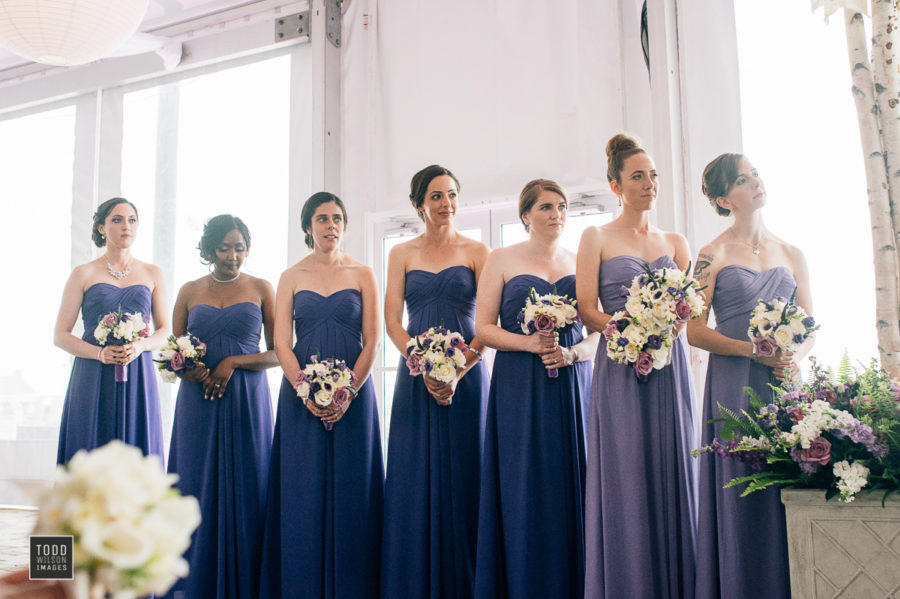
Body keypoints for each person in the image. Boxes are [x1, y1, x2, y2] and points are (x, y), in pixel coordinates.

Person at [577, 134, 698, 598]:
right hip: (620, 369)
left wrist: (663, 326)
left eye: (654, 176)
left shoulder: (675, 241)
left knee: (671, 472)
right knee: (626, 476)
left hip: (669, 372)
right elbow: (587, 307)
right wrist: (629, 331)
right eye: (638, 176)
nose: (650, 184)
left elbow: (687, 311)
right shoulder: (596, 237)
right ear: (616, 186)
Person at [688, 153, 812, 599]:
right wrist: (752, 352)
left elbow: (809, 327)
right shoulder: (710, 255)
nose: (756, 182)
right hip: (733, 387)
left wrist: (793, 357)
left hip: (782, 385)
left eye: (755, 173)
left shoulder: (792, 252)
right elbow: (694, 330)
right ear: (724, 198)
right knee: (741, 490)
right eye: (743, 179)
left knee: (786, 487)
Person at [473, 179, 598, 599]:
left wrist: (572, 355)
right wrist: (530, 343)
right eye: (546, 207)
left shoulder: (580, 262)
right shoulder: (501, 259)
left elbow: (600, 332)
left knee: (572, 484)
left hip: (571, 385)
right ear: (525, 215)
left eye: (561, 206)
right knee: (523, 486)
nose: (556, 214)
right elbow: (484, 328)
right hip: (518, 387)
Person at [259, 192, 384, 599]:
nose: (331, 225)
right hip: (301, 400)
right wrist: (305, 391)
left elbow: (373, 342)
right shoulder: (291, 276)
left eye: (337, 218)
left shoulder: (364, 273)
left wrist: (347, 391)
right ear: (307, 227)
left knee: (355, 492)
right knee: (301, 491)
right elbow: (281, 342)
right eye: (322, 219)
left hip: (355, 394)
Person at [381, 165, 490, 599]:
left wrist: (459, 371)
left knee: (469, 471)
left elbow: (487, 321)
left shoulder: (478, 251)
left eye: (451, 195)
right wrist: (421, 361)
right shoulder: (402, 253)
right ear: (419, 204)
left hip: (469, 375)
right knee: (414, 478)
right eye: (436, 196)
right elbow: (392, 321)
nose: (446, 204)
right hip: (416, 377)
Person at [163, 214, 278, 599]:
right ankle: (192, 582)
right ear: (210, 248)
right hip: (199, 402)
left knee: (251, 487)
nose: (233, 256)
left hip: (247, 400)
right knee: (194, 486)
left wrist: (231, 363)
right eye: (225, 247)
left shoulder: (262, 287)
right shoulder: (189, 290)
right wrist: (190, 370)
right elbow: (172, 353)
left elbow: (279, 353)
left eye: (240, 248)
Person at [54, 197, 168, 464]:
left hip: (138, 372)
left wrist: (140, 346)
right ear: (102, 228)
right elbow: (60, 334)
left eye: (131, 220)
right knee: (89, 448)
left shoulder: (152, 272)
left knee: (138, 452)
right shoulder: (83, 273)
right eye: (116, 220)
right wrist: (100, 354)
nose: (125, 226)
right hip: (93, 374)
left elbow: (164, 330)